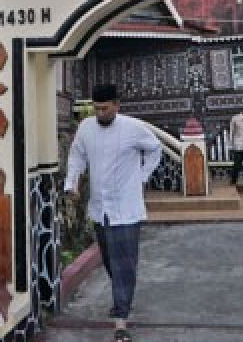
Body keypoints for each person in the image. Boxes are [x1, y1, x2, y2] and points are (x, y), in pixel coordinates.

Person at [64, 83, 162, 342]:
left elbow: (155, 150)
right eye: (96, 109)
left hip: (126, 210)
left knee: (124, 266)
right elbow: (76, 156)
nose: (100, 114)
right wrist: (70, 183)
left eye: (105, 109)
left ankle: (121, 321)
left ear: (117, 105)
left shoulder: (133, 128)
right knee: (110, 261)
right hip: (100, 209)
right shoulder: (86, 128)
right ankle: (122, 301)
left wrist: (141, 177)